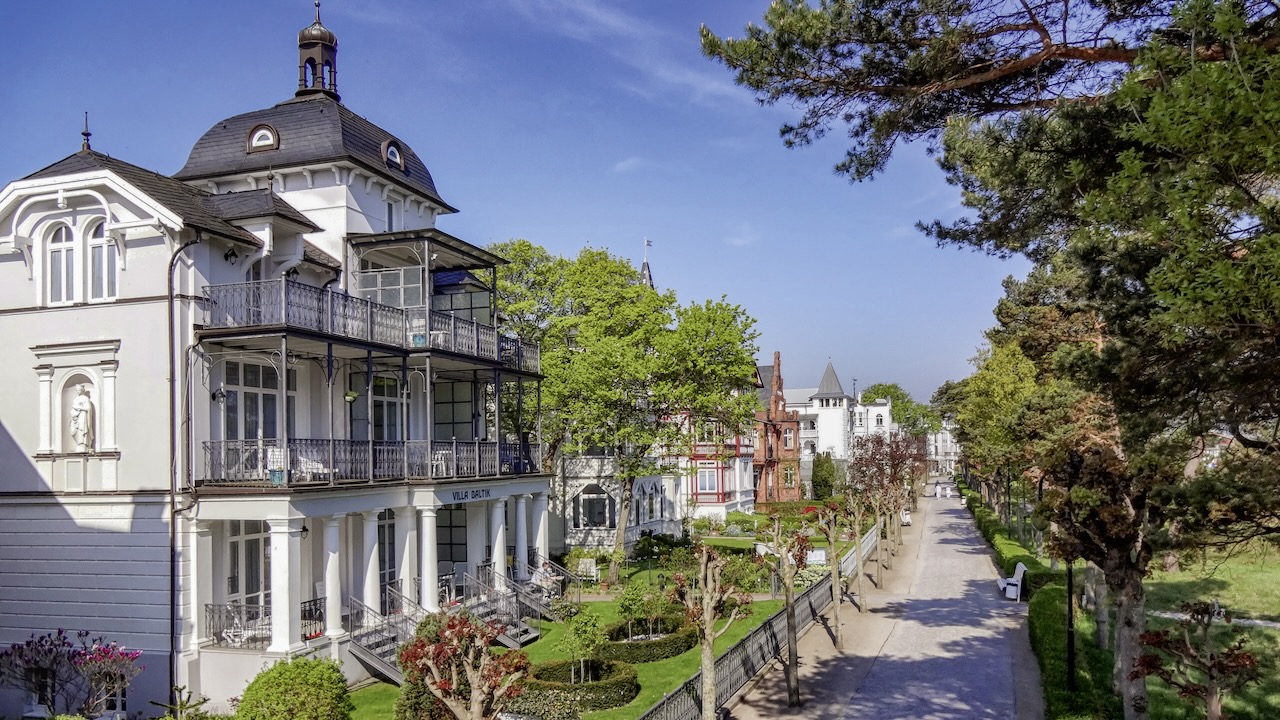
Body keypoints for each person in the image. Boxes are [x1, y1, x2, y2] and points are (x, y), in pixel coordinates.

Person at [69, 384, 95, 452]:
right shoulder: (76, 399)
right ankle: (79, 444)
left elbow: (88, 408)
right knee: (73, 432)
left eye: (79, 390)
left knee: (82, 430)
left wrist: (80, 408)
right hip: (76, 417)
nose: (78, 391)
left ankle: (83, 444)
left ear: (83, 390)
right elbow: (73, 409)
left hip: (83, 417)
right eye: (77, 390)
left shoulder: (85, 398)